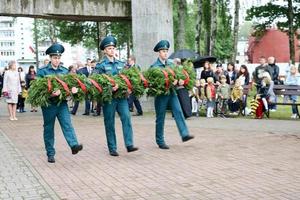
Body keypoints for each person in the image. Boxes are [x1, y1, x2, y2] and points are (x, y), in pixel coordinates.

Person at [37, 43, 83, 163]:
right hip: (48, 105)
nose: (57, 60)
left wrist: (73, 90)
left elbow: (69, 85)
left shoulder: (64, 71)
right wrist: (51, 94)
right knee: (49, 129)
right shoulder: (42, 71)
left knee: (67, 124)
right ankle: (50, 154)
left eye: (58, 58)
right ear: (50, 58)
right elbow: (37, 91)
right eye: (54, 58)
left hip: (62, 104)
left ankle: (74, 145)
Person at [94, 36, 138, 156]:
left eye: (113, 48)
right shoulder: (100, 65)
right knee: (109, 122)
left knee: (126, 118)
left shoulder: (121, 64)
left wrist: (128, 87)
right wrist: (109, 88)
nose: (112, 50)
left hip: (122, 98)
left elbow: (127, 78)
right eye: (109, 48)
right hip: (109, 99)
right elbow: (95, 82)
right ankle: (112, 148)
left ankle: (129, 144)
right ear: (104, 50)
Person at [150, 40, 194, 149]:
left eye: (166, 51)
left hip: (172, 92)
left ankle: (184, 134)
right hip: (161, 96)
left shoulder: (171, 64)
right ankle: (160, 141)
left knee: (178, 111)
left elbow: (178, 75)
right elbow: (154, 83)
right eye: (163, 51)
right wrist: (169, 82)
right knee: (161, 117)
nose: (165, 53)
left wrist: (180, 80)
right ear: (159, 53)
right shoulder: (154, 67)